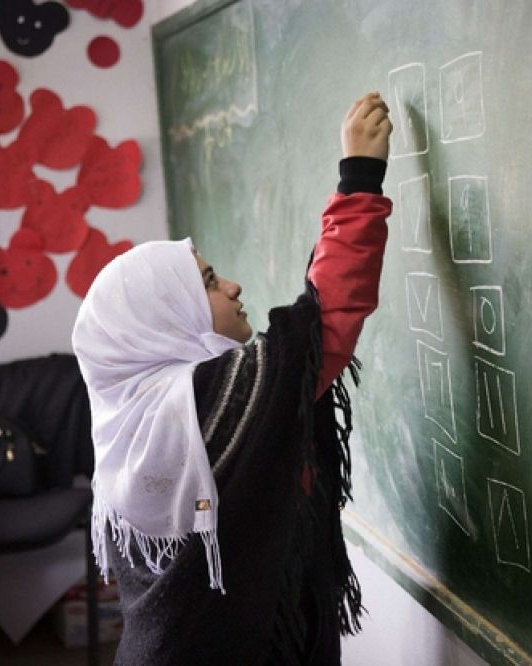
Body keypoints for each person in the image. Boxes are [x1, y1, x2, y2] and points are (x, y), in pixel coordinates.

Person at [71, 92, 393, 665]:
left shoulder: (132, 418)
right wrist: (360, 178)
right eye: (210, 281)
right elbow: (323, 325)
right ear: (169, 318)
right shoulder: (201, 404)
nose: (234, 287)